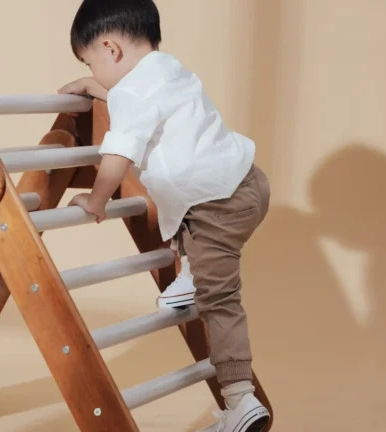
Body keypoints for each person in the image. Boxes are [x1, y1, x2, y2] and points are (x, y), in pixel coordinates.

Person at [58, 1, 271, 431]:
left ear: (110, 49)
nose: (93, 72)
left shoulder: (132, 94)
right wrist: (99, 88)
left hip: (217, 206)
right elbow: (142, 99)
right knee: (186, 217)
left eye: (90, 62)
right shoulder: (166, 69)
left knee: (220, 300)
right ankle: (193, 273)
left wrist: (96, 201)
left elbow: (118, 155)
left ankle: (239, 400)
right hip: (246, 184)